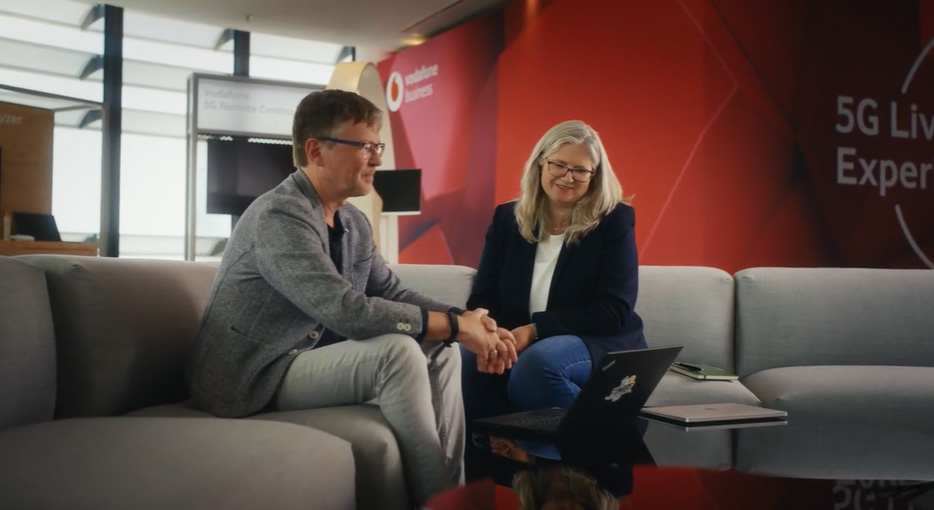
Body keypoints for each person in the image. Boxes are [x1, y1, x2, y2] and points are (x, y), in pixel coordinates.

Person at [186, 89, 517, 506]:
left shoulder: (352, 220)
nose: (378, 159)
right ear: (316, 151)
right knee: (397, 352)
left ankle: (449, 493)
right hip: (254, 373)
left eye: (378, 146)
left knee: (443, 350)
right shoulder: (280, 215)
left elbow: (390, 290)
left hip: (301, 360)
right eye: (364, 146)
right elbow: (346, 311)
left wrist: (465, 320)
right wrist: (457, 326)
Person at [462, 120, 647, 476]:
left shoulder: (614, 220)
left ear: (594, 176)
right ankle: (494, 463)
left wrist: (534, 330)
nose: (567, 176)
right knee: (468, 356)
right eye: (559, 165)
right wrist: (489, 331)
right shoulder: (507, 217)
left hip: (597, 340)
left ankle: (591, 465)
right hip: (517, 334)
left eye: (580, 170)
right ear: (541, 164)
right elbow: (483, 294)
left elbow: (614, 310)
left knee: (539, 363)